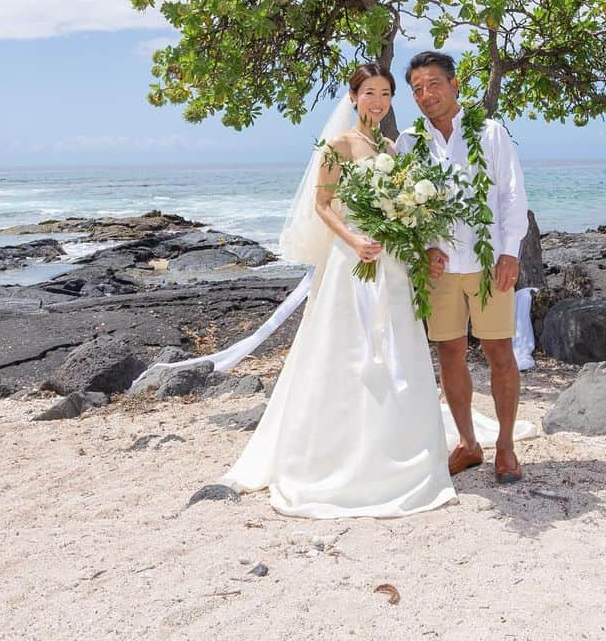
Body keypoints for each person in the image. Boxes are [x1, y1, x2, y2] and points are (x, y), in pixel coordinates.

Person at [221, 63, 456, 517]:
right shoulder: (337, 144)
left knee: (394, 347)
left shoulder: (389, 146)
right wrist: (353, 240)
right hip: (352, 259)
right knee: (345, 350)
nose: (378, 101)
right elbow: (322, 205)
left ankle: (395, 444)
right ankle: (338, 454)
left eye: (385, 93)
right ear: (352, 98)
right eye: (369, 92)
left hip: (389, 262)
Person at [396, 51, 529, 485]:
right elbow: (403, 208)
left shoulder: (489, 133)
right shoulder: (409, 143)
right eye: (417, 89)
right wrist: (423, 247)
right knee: (449, 352)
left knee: (499, 352)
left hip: (490, 263)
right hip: (439, 269)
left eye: (433, 84)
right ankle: (469, 444)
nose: (425, 95)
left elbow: (511, 194)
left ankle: (506, 447)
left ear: (454, 85)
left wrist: (510, 252)